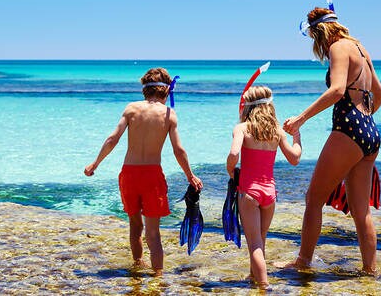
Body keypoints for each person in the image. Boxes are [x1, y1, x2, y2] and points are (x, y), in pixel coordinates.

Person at [283, 7, 381, 274]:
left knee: (313, 198)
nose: (317, 45)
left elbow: (337, 90)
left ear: (321, 32)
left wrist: (300, 119)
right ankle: (370, 271)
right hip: (370, 131)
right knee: (361, 211)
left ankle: (302, 263)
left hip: (348, 129)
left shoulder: (338, 48)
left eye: (314, 38)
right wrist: (363, 125)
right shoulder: (361, 49)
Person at [84, 67, 203, 277]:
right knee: (153, 233)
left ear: (144, 90)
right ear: (166, 91)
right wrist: (190, 175)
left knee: (135, 225)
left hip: (129, 174)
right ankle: (158, 275)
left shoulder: (131, 109)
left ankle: (138, 265)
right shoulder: (169, 114)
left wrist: (95, 164)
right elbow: (178, 150)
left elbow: (112, 139)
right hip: (152, 176)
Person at [227, 86, 302, 289]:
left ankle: (264, 286)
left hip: (249, 193)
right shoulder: (277, 131)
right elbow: (294, 158)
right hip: (270, 194)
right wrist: (297, 136)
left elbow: (234, 154)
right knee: (261, 240)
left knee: (254, 245)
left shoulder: (242, 128)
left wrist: (230, 170)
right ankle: (254, 279)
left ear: (247, 107)